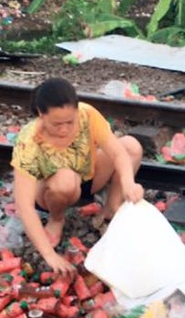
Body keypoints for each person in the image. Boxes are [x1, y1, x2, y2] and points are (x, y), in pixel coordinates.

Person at [12, 77, 144, 275]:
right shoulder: (29, 140)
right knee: (65, 179)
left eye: (70, 122)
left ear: (76, 110)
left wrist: (128, 184)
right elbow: (24, 206)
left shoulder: (87, 114)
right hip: (51, 192)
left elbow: (117, 153)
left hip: (86, 180)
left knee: (131, 146)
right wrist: (49, 255)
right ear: (41, 114)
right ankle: (57, 219)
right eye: (57, 124)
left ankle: (110, 209)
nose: (64, 129)